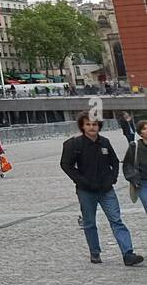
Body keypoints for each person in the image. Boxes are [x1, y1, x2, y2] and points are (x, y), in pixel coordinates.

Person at [61, 112, 143, 265]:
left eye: (95, 124)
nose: (92, 127)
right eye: (88, 124)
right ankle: (95, 252)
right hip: (86, 190)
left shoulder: (105, 142)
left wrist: (112, 178)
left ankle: (128, 253)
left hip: (106, 189)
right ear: (82, 126)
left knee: (116, 220)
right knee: (90, 222)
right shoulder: (74, 144)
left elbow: (114, 161)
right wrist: (81, 180)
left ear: (99, 126)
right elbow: (66, 165)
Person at [122, 120, 147, 216]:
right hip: (142, 183)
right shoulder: (134, 146)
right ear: (140, 133)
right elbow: (127, 165)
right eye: (144, 128)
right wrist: (134, 179)